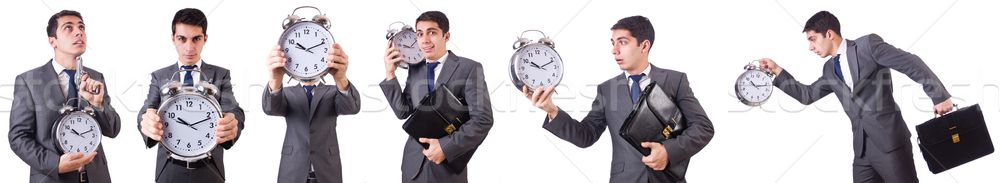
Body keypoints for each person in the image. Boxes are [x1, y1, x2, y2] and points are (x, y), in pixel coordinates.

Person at [758, 11, 954, 182]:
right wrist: (776, 70)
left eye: (812, 39)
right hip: (862, 152)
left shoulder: (868, 46)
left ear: (829, 34)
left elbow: (910, 63)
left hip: (890, 144)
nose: (810, 47)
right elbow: (806, 95)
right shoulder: (829, 69)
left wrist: (939, 96)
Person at [523, 16, 714, 182]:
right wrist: (552, 110)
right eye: (612, 43)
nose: (614, 50)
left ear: (644, 45)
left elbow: (703, 127)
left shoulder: (675, 80)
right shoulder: (607, 90)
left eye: (622, 42)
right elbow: (586, 136)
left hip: (668, 179)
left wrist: (668, 151)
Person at [379, 11, 494, 183]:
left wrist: (445, 147)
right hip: (413, 168)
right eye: (419, 34)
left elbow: (483, 120)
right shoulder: (415, 68)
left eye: (431, 32)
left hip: (447, 168)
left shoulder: (469, 68)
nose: (424, 40)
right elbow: (403, 111)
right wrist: (390, 74)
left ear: (446, 36)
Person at [9, 10, 122, 183]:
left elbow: (112, 130)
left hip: (97, 178)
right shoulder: (29, 81)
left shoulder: (95, 77)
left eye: (81, 27)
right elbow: (18, 137)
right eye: (68, 28)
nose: (79, 32)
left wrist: (98, 105)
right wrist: (55, 164)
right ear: (52, 41)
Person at [136, 8, 245, 183]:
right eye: (182, 39)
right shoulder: (160, 76)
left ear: (205, 39)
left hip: (210, 169)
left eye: (196, 39)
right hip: (169, 169)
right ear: (173, 39)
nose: (189, 47)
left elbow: (234, 110)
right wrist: (146, 119)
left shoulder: (220, 75)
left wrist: (233, 121)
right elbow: (147, 108)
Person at [262, 35, 361, 182]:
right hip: (293, 169)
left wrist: (341, 78)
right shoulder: (287, 93)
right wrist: (275, 80)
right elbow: (270, 109)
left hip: (327, 169)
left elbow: (352, 108)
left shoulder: (334, 91)